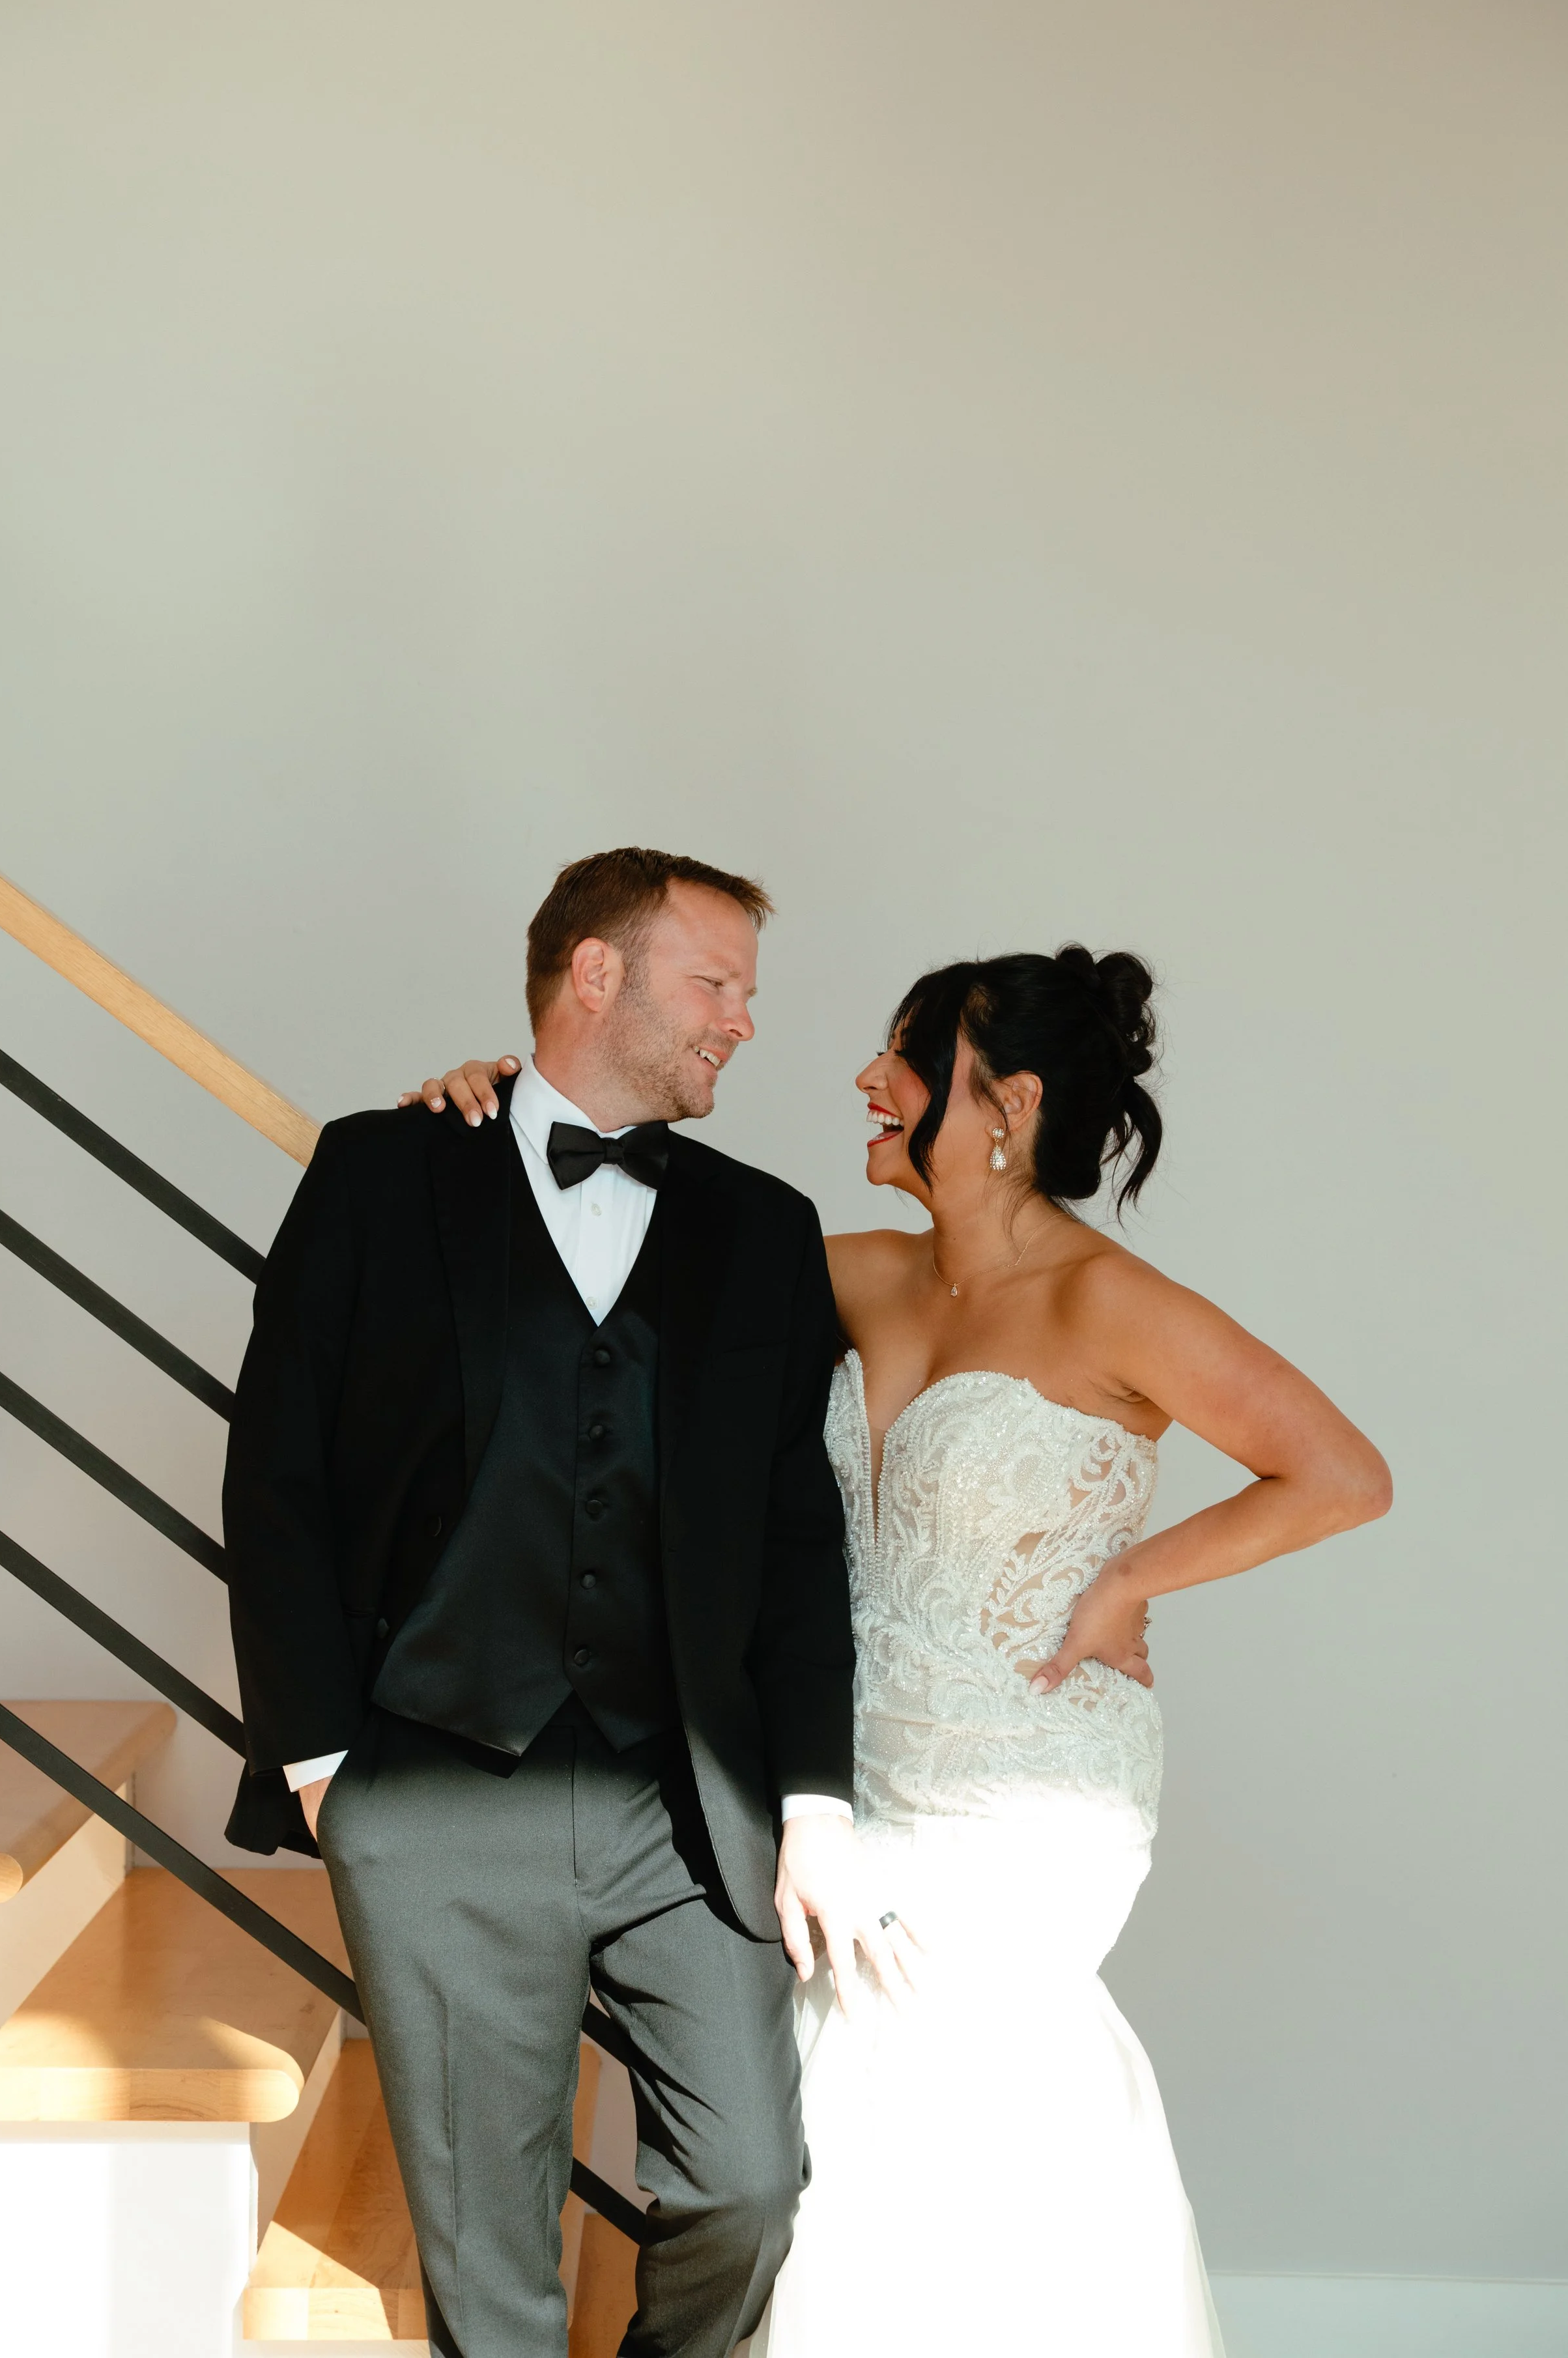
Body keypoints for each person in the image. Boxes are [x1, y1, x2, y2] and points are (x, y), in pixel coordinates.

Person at [411, 943, 1391, 2357]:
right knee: (823, 2106)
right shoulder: (855, 1274)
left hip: (1027, 1784)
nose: (865, 1080)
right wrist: (506, 1110)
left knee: (923, 2101)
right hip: (846, 1774)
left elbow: (1340, 1475)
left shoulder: (1109, 1303)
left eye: (905, 1063)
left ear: (1004, 1105)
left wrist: (1127, 1580)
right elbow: (613, 1237)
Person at [221, 848, 907, 2358]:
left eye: (746, 993)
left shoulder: (763, 1228)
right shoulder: (380, 1170)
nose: (740, 1021)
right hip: (432, 1780)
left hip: (688, 1800)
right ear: (595, 973)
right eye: (712, 984)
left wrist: (814, 1800)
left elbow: (797, 1537)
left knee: (746, 2187)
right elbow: (276, 1480)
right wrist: (328, 1767)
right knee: (487, 2241)